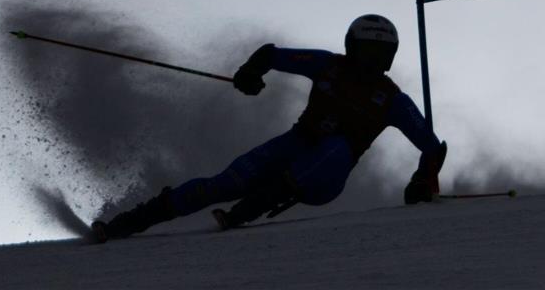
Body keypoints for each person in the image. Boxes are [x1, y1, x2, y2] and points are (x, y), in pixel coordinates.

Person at [91, 14, 446, 242]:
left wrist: (422, 180)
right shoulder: (328, 65)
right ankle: (131, 221)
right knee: (224, 183)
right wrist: (250, 72)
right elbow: (271, 54)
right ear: (351, 48)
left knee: (336, 148)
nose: (371, 62)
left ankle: (256, 204)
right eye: (367, 52)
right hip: (296, 144)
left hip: (325, 176)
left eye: (380, 55)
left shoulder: (391, 99)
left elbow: (432, 147)